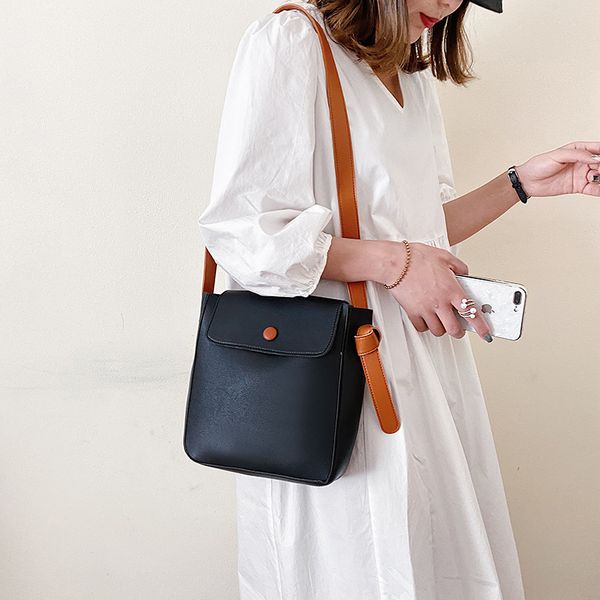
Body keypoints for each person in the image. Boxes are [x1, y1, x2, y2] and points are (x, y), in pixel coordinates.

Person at [196, 0, 600, 598]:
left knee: (431, 560)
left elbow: (419, 226)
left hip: (422, 363)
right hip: (333, 375)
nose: (449, 3)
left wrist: (520, 184)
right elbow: (244, 233)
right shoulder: (291, 42)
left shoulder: (408, 70)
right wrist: (397, 264)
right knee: (355, 563)